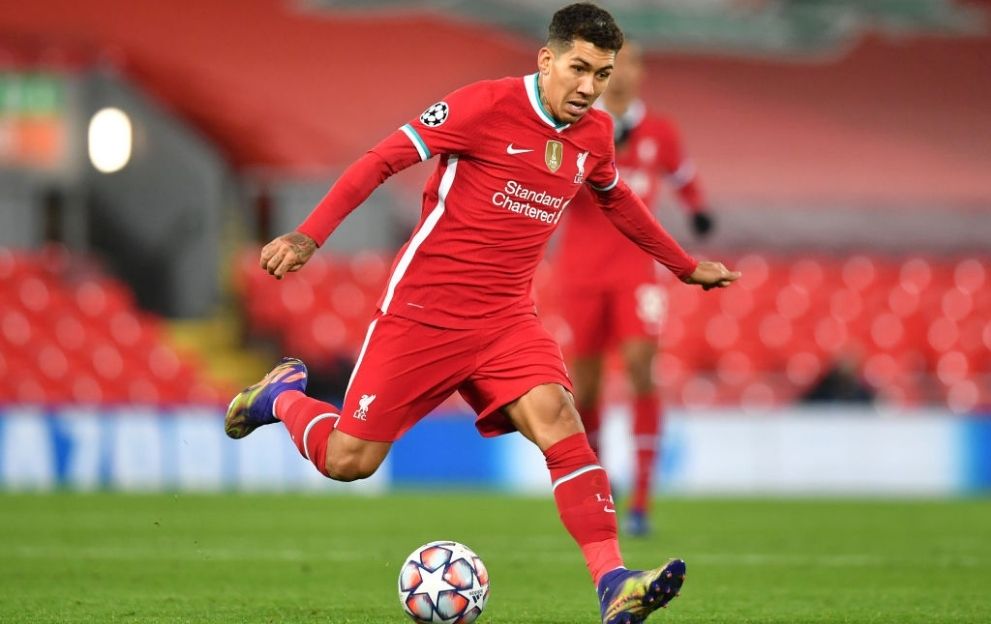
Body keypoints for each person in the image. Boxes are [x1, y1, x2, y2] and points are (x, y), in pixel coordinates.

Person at [226, 4, 739, 623]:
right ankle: (280, 396)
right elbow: (381, 159)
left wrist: (683, 266)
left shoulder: (596, 135)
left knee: (561, 420)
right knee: (348, 461)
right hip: (424, 313)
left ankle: (614, 582)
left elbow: (618, 199)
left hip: (506, 321)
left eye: (602, 75)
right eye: (578, 69)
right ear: (546, 59)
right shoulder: (483, 106)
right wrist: (310, 235)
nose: (589, 87)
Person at [553, 41, 715, 537]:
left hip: (636, 269)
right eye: (612, 65)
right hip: (580, 271)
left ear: (642, 72)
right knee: (586, 387)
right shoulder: (577, 124)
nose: (621, 74)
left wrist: (697, 210)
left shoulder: (660, 132)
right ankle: (600, 490)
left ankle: (642, 499)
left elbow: (684, 176)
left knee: (643, 368)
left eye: (629, 64)